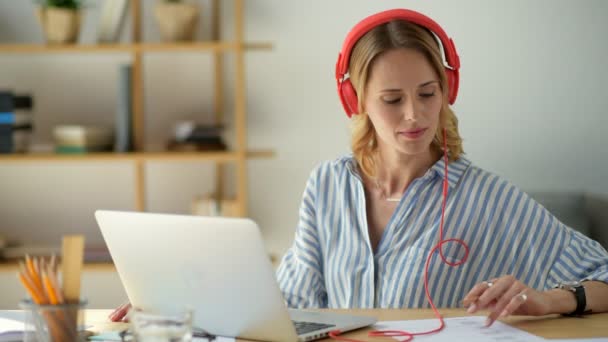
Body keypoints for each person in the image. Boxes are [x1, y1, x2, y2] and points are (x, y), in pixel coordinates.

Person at [110, 8, 608, 327]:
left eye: (427, 94)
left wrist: (552, 300)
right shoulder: (327, 185)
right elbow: (288, 309)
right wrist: (176, 311)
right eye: (392, 99)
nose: (414, 115)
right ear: (357, 101)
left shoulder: (488, 199)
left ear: (447, 91)